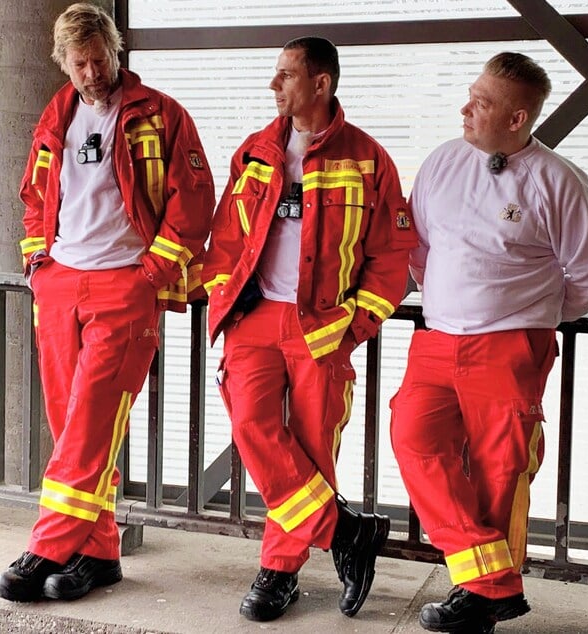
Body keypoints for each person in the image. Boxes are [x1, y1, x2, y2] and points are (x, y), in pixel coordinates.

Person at [390, 52, 588, 633]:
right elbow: (417, 247)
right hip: (438, 337)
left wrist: (535, 318)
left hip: (511, 346)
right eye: (470, 95)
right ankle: (494, 580)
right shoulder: (442, 162)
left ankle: (477, 598)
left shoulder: (559, 180)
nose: (466, 109)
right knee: (413, 438)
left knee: (501, 467)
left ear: (517, 119)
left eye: (482, 102)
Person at [0, 3, 214, 603]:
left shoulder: (161, 114)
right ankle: (99, 554)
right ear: (63, 62)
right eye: (79, 63)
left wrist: (153, 273)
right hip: (61, 281)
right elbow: (35, 196)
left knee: (92, 416)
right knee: (70, 422)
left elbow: (193, 203)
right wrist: (38, 262)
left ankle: (49, 543)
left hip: (126, 284)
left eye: (100, 59)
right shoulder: (54, 115)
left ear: (117, 52)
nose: (92, 73)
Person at [202, 36, 417, 622]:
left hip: (325, 328)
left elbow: (392, 254)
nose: (274, 86)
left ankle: (279, 572)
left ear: (320, 84)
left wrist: (359, 324)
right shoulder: (254, 151)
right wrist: (224, 291)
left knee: (312, 445)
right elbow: (226, 237)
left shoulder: (369, 159)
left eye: (285, 75)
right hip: (255, 317)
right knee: (251, 425)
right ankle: (345, 530)